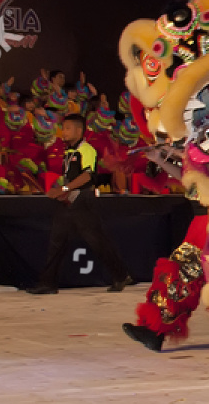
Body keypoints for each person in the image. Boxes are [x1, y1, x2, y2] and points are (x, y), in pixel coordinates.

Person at [26, 114, 134, 294]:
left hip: (83, 200)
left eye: (68, 128)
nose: (64, 132)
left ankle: (121, 275)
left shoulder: (87, 150)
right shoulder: (68, 152)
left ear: (79, 130)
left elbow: (87, 176)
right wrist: (64, 192)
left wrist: (64, 189)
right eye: (63, 128)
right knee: (57, 242)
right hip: (69, 200)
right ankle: (47, 283)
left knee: (97, 241)